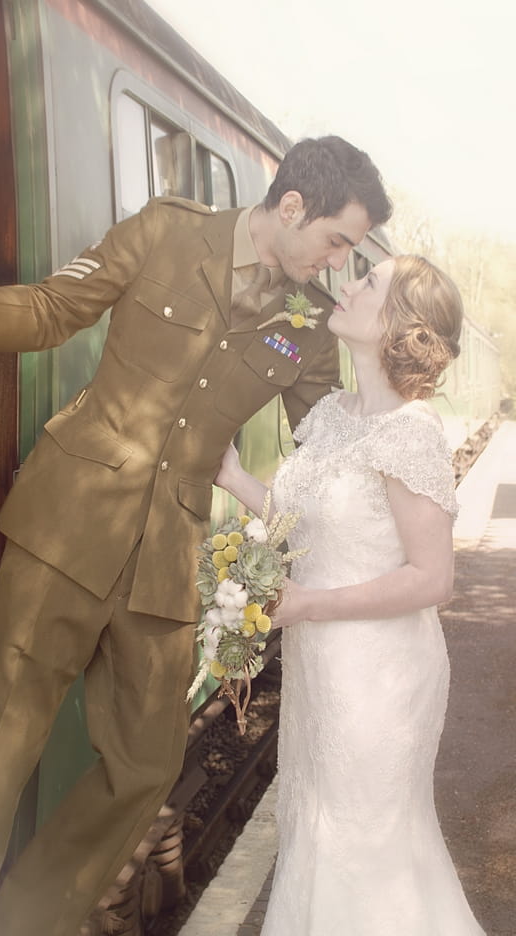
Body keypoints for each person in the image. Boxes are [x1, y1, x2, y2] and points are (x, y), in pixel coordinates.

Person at [0, 136, 392, 936]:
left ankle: (20, 923)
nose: (337, 264)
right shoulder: (166, 230)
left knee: (147, 764)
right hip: (68, 523)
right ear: (292, 206)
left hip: (166, 559)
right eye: (337, 240)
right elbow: (51, 310)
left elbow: (325, 456)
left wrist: (397, 437)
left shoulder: (311, 329)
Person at [215, 254, 486, 934]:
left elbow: (434, 579)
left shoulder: (411, 433)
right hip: (323, 672)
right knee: (316, 834)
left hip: (380, 683)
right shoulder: (335, 414)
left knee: (363, 851)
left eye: (369, 283)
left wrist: (306, 605)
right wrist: (233, 477)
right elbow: (299, 517)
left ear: (399, 325)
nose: (348, 284)